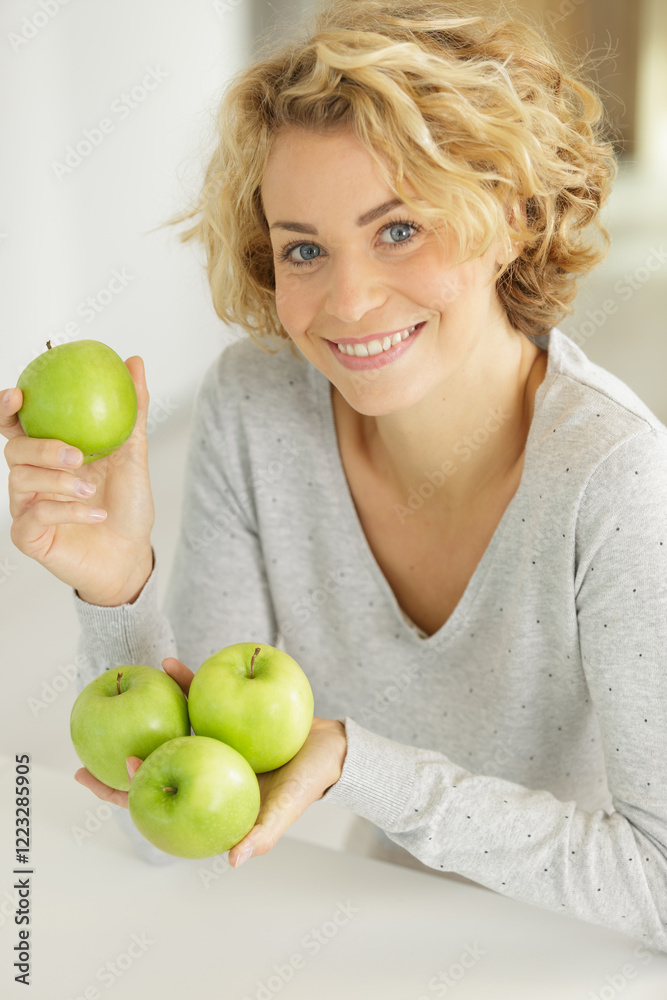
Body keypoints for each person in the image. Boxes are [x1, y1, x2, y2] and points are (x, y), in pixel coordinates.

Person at [3, 0, 667, 952]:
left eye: (399, 229)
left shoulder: (615, 481)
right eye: (304, 249)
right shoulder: (258, 408)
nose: (347, 301)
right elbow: (178, 833)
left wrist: (363, 764)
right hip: (386, 937)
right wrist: (119, 591)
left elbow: (655, 885)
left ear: (510, 216)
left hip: (585, 952)